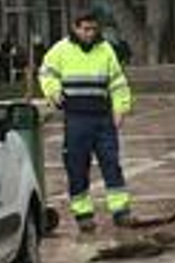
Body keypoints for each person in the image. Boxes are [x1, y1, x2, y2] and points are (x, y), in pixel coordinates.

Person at [39, 12, 134, 233]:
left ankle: (121, 211)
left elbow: (118, 82)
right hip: (76, 118)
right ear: (75, 28)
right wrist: (53, 92)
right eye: (85, 29)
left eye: (93, 29)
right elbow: (46, 72)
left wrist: (121, 108)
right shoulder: (60, 49)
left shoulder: (106, 49)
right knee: (76, 167)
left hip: (102, 118)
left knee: (111, 164)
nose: (90, 33)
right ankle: (83, 214)